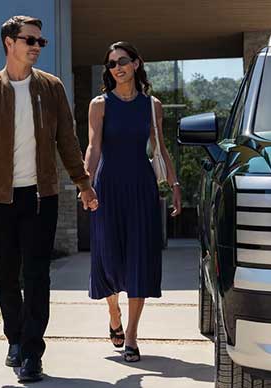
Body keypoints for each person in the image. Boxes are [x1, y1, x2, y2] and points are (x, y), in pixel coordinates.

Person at [0, 15, 98, 383]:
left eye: (41, 42)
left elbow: (67, 141)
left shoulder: (51, 88)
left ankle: (32, 351)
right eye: (30, 40)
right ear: (10, 42)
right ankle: (15, 339)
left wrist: (83, 184)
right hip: (0, 198)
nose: (36, 46)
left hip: (41, 198)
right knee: (6, 272)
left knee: (37, 274)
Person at [84, 41, 182, 363]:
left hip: (141, 187)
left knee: (139, 258)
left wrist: (174, 183)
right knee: (109, 256)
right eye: (111, 64)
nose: (117, 68)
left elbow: (160, 147)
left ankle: (132, 336)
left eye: (123, 61)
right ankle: (114, 314)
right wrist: (85, 184)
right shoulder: (99, 104)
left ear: (137, 63)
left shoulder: (152, 106)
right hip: (107, 187)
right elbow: (94, 147)